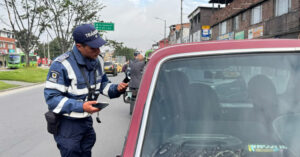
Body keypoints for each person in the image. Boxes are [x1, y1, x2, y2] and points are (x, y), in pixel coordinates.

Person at [44, 24, 128, 157]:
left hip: (86, 122)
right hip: (68, 126)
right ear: (79, 46)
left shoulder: (97, 61)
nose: (98, 51)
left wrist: (117, 89)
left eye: (99, 46)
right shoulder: (61, 65)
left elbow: (103, 85)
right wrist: (81, 106)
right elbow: (52, 98)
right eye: (93, 48)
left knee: (86, 151)